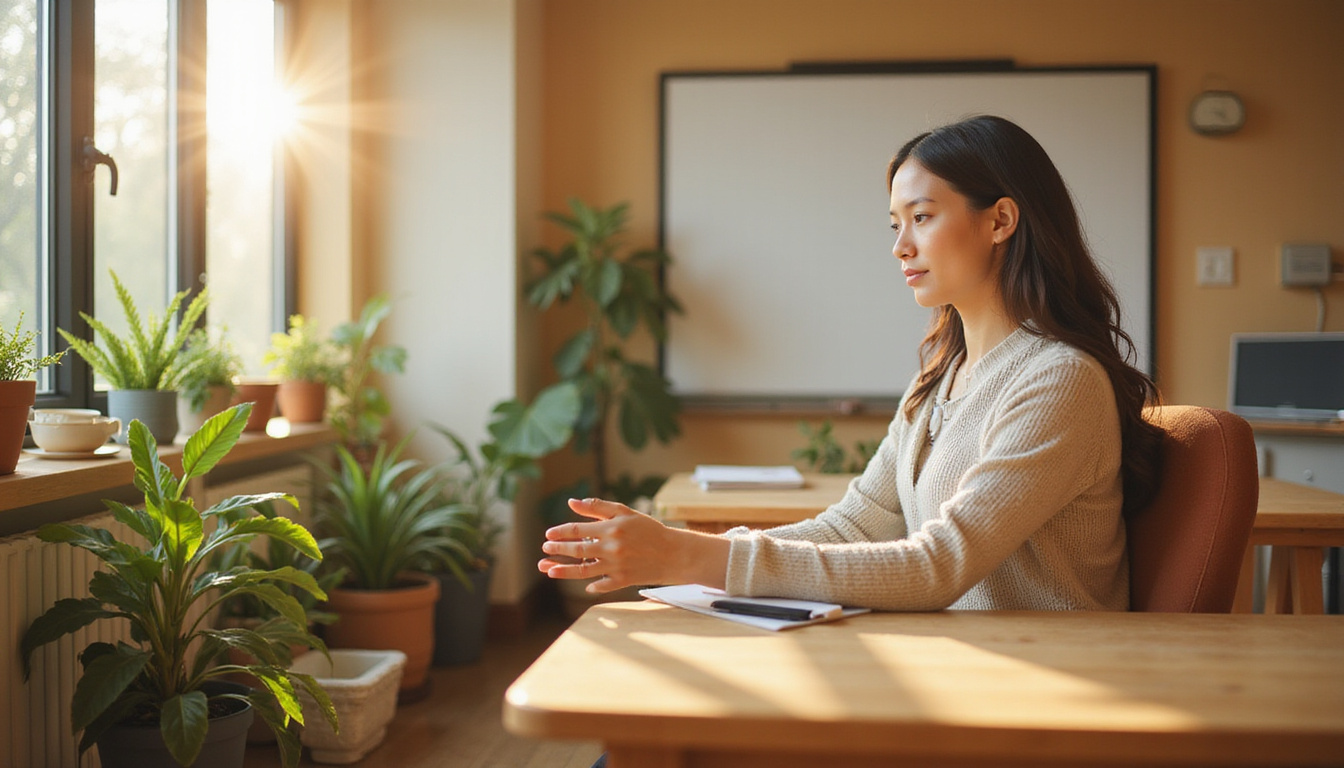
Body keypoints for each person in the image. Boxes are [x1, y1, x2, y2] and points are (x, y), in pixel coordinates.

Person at [538, 115, 1163, 612]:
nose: (900, 247)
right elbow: (857, 524)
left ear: (1000, 220)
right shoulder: (942, 375)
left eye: (921, 218)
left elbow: (937, 566)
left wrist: (692, 559)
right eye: (895, 224)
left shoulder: (1059, 379)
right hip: (953, 663)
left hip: (1039, 687)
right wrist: (691, 549)